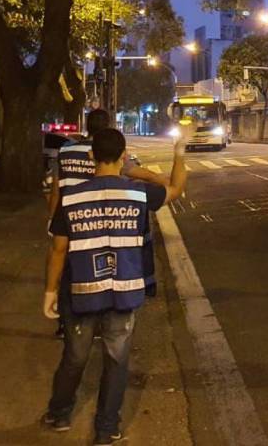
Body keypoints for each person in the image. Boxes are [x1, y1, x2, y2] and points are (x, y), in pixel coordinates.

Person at [41, 127, 188, 445]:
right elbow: (175, 189)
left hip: (81, 291)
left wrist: (50, 291)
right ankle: (106, 429)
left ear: (92, 156)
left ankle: (60, 413)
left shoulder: (73, 196)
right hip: (124, 290)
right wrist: (179, 151)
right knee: (116, 359)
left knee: (75, 357)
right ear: (123, 158)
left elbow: (59, 249)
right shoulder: (137, 192)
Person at [46, 109, 167, 338]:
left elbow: (56, 189)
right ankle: (102, 324)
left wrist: (53, 218)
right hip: (96, 217)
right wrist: (161, 179)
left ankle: (67, 323)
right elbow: (132, 171)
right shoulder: (110, 151)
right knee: (102, 271)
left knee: (68, 270)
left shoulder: (66, 151)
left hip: (69, 215)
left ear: (87, 125)